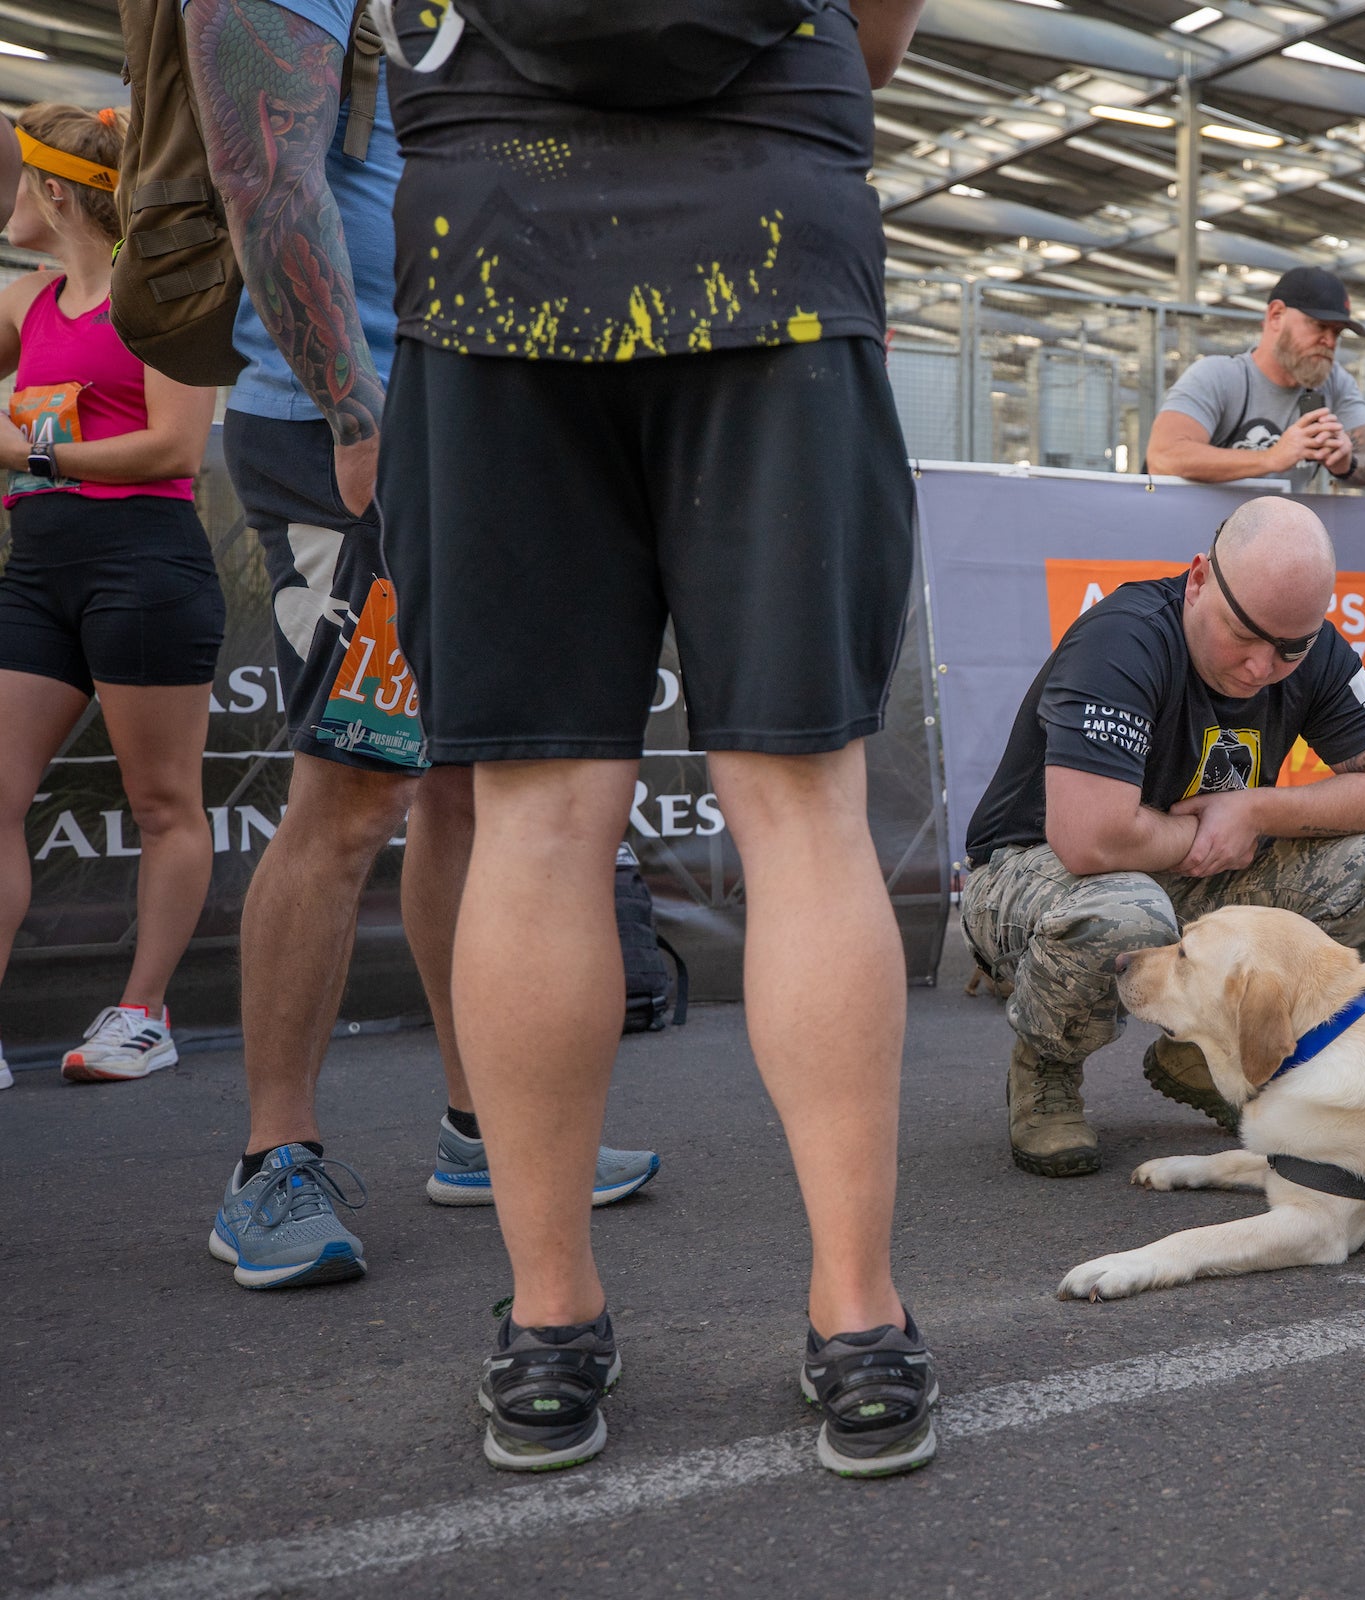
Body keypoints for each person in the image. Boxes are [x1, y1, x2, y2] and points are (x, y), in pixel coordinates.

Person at [374, 0, 937, 1477]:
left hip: (490, 241)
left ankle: (552, 1324)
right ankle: (859, 1318)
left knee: (538, 811)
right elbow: (873, 37)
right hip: (776, 232)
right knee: (804, 809)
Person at [181, 0, 658, 1295]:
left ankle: (480, 1126)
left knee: (467, 780)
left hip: (479, 404)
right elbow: (258, 165)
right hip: (355, 421)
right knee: (351, 789)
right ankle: (272, 1156)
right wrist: (352, 404)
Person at [960, 498, 1365, 1176]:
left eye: (1289, 647)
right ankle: (1047, 1066)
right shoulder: (1125, 638)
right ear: (1200, 578)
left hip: (1174, 865)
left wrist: (1256, 812)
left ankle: (1206, 1046)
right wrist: (1202, 835)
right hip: (1034, 870)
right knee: (1124, 912)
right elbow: (1089, 838)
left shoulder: (1310, 648)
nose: (1262, 666)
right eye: (1245, 635)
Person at [0, 104, 216, 1090]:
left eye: (14, 178)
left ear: (52, 192)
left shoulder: (163, 295)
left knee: (163, 800)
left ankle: (143, 1011)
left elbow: (176, 446)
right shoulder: (28, 303)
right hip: (39, 569)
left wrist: (33, 451)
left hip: (143, 563)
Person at [1144, 267, 1365, 490]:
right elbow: (1163, 457)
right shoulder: (1218, 375)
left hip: (1275, 536)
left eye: (1337, 332)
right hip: (1197, 534)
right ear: (1276, 315)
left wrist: (1347, 463)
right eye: (1319, 326)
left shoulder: (1335, 383)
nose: (1330, 341)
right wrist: (1271, 458)